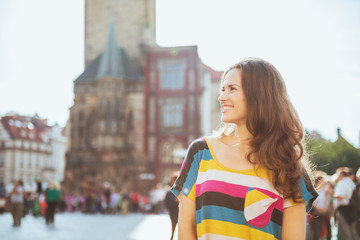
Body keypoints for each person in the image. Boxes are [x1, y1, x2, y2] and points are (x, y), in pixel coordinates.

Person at [171, 58, 318, 240]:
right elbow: (185, 228)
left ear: (259, 95)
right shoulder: (200, 152)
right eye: (223, 89)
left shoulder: (288, 165)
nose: (222, 97)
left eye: (232, 89)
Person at [333, 167, 358, 239]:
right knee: (353, 233)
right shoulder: (351, 183)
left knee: (345, 234)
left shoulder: (341, 183)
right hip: (353, 210)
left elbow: (340, 196)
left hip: (343, 211)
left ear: (341, 174)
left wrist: (333, 195)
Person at [165, 172, 180, 240]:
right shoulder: (169, 193)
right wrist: (175, 201)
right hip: (173, 214)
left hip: (183, 215)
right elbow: (167, 204)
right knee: (173, 231)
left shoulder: (184, 191)